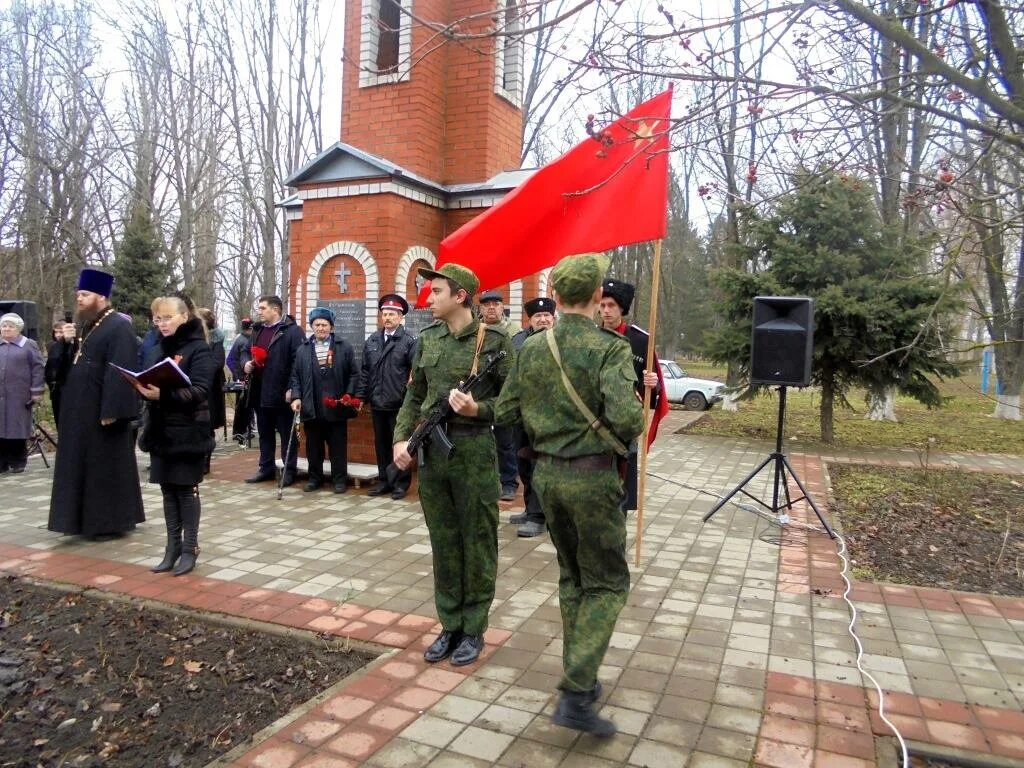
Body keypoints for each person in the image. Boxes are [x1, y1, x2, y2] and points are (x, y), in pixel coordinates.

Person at [496, 253, 644, 737]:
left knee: (572, 578)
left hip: (547, 482)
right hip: (594, 481)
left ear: (556, 297)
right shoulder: (611, 349)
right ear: (598, 297)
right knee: (606, 584)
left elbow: (507, 409)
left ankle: (580, 673)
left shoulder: (533, 348)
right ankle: (577, 692)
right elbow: (627, 421)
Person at [393, 264, 513, 667]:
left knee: (477, 541)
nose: (429, 299)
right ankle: (450, 624)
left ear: (460, 296)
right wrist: (401, 438)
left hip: (474, 453)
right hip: (432, 457)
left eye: (437, 291)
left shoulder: (495, 341)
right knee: (443, 542)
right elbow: (415, 395)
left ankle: (474, 627)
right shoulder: (427, 339)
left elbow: (514, 404)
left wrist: (479, 409)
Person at [48, 268, 146, 538]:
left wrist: (112, 409)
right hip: (80, 412)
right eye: (78, 294)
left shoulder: (119, 326)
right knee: (81, 466)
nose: (79, 299)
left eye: (85, 294)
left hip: (103, 412)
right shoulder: (88, 324)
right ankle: (80, 521)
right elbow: (75, 363)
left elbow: (120, 369)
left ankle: (107, 523)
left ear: (101, 296)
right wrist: (67, 344)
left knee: (103, 468)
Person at [136, 296, 215, 575]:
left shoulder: (199, 349)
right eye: (157, 319)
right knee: (168, 491)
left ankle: (189, 548)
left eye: (167, 317)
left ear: (184, 317)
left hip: (188, 432)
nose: (162, 323)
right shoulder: (159, 348)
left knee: (185, 491)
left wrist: (164, 395)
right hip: (161, 430)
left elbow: (201, 391)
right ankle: (171, 549)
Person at [599, 278, 665, 512]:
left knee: (624, 473)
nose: (606, 310)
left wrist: (652, 384)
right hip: (595, 418)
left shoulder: (640, 340)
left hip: (626, 419)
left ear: (622, 308)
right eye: (603, 305)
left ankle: (621, 517)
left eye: (612, 306)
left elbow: (655, 390)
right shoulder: (591, 336)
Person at [288, 307, 358, 493]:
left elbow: (354, 374)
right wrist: (296, 397)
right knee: (313, 448)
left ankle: (339, 480)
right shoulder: (302, 350)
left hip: (336, 408)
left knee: (337, 447)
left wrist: (349, 395)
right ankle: (314, 478)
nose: (320, 328)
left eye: (324, 325)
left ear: (331, 327)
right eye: (317, 324)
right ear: (312, 326)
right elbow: (295, 377)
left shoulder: (344, 346)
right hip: (312, 407)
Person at [357, 294, 417, 500]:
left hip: (399, 403)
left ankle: (400, 483)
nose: (388, 318)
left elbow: (414, 373)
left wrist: (409, 398)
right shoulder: (372, 340)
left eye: (392, 314)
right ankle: (384, 480)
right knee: (381, 444)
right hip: (377, 402)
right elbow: (365, 371)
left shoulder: (409, 341)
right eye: (385, 314)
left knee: (400, 444)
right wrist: (361, 397)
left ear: (401, 317)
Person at [243, 296, 304, 486]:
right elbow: (245, 351)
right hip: (259, 390)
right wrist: (245, 363)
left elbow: (298, 361)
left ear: (275, 310)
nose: (259, 311)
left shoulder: (291, 331)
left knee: (287, 434)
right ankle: (266, 467)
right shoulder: (257, 330)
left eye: (263, 308)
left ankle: (289, 470)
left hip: (281, 392)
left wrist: (292, 389)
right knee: (265, 432)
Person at [508, 297, 556, 537]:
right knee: (524, 465)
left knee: (539, 466)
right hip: (521, 415)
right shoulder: (518, 341)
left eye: (547, 315)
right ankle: (530, 509)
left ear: (553, 318)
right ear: (530, 320)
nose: (543, 319)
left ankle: (539, 516)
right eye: (538, 316)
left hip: (547, 417)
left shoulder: (559, 342)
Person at [479, 289, 518, 500]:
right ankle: (487, 481)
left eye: (495, 304)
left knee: (505, 441)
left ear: (503, 307)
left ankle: (509, 482)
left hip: (504, 392)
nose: (491, 307)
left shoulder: (514, 331)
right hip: (480, 393)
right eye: (486, 304)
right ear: (480, 308)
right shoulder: (475, 330)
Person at [0, 313, 45, 473]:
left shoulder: (28, 344)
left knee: (16, 428)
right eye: (4, 326)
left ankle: (18, 461)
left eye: (10, 326)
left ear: (18, 328)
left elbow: (38, 368)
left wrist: (37, 390)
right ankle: (2, 462)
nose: (6, 329)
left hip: (19, 395)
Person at [197, 307, 226, 473]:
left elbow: (217, 363)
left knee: (207, 426)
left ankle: (206, 461)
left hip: (210, 389)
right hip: (196, 388)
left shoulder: (216, 340)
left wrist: (200, 372)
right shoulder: (196, 338)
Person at [226, 318, 255, 441]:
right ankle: (239, 431)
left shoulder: (240, 339)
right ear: (250, 329)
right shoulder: (244, 342)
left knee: (243, 406)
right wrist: (239, 376)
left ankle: (243, 430)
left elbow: (229, 360)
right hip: (243, 378)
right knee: (243, 406)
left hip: (240, 377)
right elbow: (231, 360)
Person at [44, 320, 76, 428]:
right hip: (55, 388)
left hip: (69, 387)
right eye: (56, 332)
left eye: (60, 332)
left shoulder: (73, 347)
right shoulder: (52, 346)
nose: (58, 335)